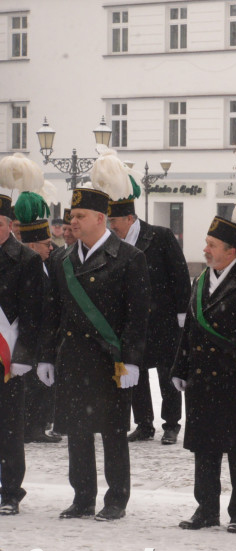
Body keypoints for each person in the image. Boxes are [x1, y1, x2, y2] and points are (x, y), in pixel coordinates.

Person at [41, 183, 151, 522]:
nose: (72, 222)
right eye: (72, 216)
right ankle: (83, 497)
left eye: (80, 216)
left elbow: (137, 316)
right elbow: (53, 313)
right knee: (77, 431)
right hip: (73, 358)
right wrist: (46, 355)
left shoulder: (130, 258)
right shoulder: (62, 259)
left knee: (113, 431)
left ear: (100, 218)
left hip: (110, 360)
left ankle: (116, 497)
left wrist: (131, 360)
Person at [172, 217, 236, 533]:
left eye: (212, 245)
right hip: (202, 379)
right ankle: (206, 509)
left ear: (232, 250)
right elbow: (191, 330)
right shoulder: (200, 281)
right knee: (204, 449)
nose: (205, 250)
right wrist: (180, 368)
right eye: (207, 244)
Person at [108, 188, 191, 445]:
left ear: (130, 218)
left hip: (164, 320)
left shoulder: (160, 236)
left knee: (167, 375)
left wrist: (181, 313)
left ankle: (171, 424)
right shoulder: (113, 244)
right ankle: (144, 424)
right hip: (134, 322)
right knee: (136, 374)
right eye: (109, 222)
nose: (112, 227)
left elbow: (179, 274)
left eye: (115, 222)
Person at [0, 189, 46, 515]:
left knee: (9, 426)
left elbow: (34, 315)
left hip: (9, 358)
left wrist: (24, 356)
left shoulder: (26, 260)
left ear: (10, 225)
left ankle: (11, 490)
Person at [14, 191, 61, 445]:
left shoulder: (47, 263)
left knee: (42, 384)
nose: (51, 247)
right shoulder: (27, 265)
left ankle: (38, 425)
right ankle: (30, 428)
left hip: (45, 335)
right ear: (32, 246)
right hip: (29, 335)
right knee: (31, 385)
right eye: (46, 243)